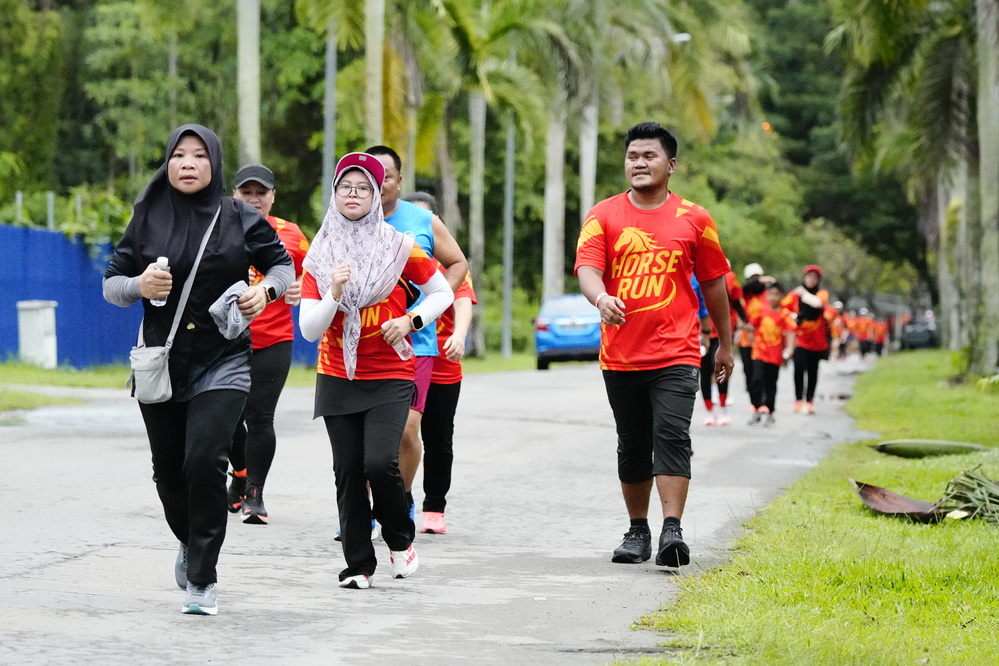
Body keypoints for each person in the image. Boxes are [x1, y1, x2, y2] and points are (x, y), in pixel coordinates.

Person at [103, 124, 294, 616]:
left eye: (199, 155)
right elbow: (112, 284)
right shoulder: (146, 216)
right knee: (168, 472)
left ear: (215, 163)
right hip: (162, 363)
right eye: (179, 155)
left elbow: (282, 266)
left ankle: (203, 579)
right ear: (167, 162)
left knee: (205, 461)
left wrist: (265, 291)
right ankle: (190, 541)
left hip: (223, 359)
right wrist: (140, 285)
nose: (188, 163)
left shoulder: (240, 216)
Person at [575, 121, 733, 569]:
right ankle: (637, 530)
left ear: (671, 164)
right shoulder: (603, 215)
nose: (639, 163)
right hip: (621, 356)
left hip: (678, 353)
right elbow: (588, 269)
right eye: (632, 156)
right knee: (632, 443)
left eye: (649, 155)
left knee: (672, 436)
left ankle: (672, 530)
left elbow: (714, 283)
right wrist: (601, 298)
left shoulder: (696, 219)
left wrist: (725, 343)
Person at [299, 153, 453, 590]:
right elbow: (309, 329)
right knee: (348, 471)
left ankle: (399, 537)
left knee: (380, 462)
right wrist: (333, 293)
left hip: (390, 372)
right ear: (334, 194)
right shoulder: (320, 254)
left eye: (363, 188)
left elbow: (441, 292)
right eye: (345, 187)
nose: (354, 194)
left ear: (376, 196)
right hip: (337, 374)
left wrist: (411, 320)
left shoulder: (399, 246)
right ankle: (358, 566)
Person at [364, 146, 468, 520]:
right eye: (371, 178)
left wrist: (429, 307)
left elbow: (457, 264)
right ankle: (362, 511)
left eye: (386, 177)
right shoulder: (344, 219)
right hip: (358, 346)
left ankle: (400, 500)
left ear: (398, 180)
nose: (379, 184)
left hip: (415, 344)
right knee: (362, 436)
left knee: (407, 431)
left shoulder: (422, 220)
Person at [225, 164, 311, 524]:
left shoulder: (291, 235)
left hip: (273, 339)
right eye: (247, 192)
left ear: (273, 197)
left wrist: (301, 286)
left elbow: (316, 274)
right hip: (225, 340)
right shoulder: (218, 228)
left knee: (260, 417)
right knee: (225, 416)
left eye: (261, 193)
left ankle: (254, 496)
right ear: (234, 195)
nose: (254, 199)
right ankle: (240, 473)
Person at [403, 192, 476, 535]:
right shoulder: (394, 258)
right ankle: (398, 498)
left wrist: (458, 337)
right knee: (400, 434)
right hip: (405, 360)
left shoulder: (449, 265)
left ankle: (434, 507)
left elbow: (462, 303)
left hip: (443, 363)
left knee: (438, 438)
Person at [781, 265, 832, 414]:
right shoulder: (794, 295)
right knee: (798, 368)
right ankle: (798, 399)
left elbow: (818, 303)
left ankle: (810, 401)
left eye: (815, 278)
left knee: (812, 370)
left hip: (816, 340)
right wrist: (793, 317)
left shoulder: (821, 293)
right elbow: (783, 307)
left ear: (818, 280)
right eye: (809, 277)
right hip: (800, 339)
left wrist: (803, 293)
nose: (811, 280)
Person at [701, 264, 746, 426]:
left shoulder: (730, 277)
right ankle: (709, 411)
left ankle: (722, 409)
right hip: (701, 331)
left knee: (720, 367)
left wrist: (744, 321)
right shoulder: (696, 275)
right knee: (704, 371)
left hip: (723, 330)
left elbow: (736, 301)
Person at [747, 281, 795, 427]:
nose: (773, 297)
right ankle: (756, 408)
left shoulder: (784, 314)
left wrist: (790, 348)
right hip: (759, 352)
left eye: (776, 294)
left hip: (775, 355)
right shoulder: (761, 310)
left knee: (771, 383)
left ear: (782, 297)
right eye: (770, 294)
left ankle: (770, 411)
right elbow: (752, 326)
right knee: (756, 380)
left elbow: (791, 331)